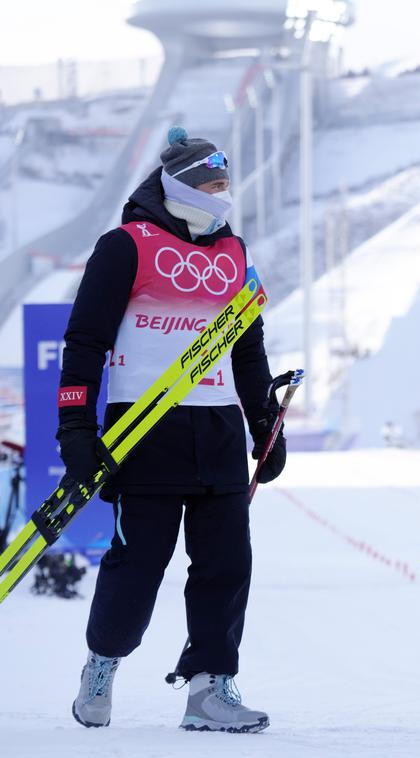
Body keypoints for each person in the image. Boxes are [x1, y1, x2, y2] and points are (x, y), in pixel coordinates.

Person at [60, 127, 284, 733]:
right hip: (142, 432)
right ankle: (101, 665)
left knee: (227, 564)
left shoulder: (233, 253)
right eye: (212, 185)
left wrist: (264, 420)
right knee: (138, 566)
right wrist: (74, 428)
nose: (223, 195)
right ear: (179, 187)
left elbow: (249, 348)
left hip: (217, 434)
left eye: (226, 185)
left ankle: (211, 687)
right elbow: (84, 342)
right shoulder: (124, 247)